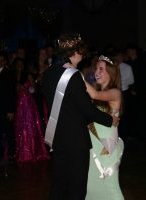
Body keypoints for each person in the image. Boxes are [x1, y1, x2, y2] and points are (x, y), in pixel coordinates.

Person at [41, 33, 118, 200]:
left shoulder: (47, 74)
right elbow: (87, 110)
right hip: (76, 140)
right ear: (73, 53)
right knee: (77, 187)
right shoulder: (73, 75)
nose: (82, 56)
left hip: (57, 137)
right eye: (80, 52)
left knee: (59, 184)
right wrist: (110, 119)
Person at [85, 55, 124, 200]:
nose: (97, 72)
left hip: (105, 146)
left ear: (111, 73)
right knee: (91, 184)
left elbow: (95, 94)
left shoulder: (115, 92)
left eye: (101, 69)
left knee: (110, 185)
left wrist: (75, 75)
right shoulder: (94, 95)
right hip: (92, 145)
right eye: (96, 68)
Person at [14, 71, 50, 163]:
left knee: (31, 126)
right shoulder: (15, 78)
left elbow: (33, 89)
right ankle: (24, 153)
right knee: (22, 128)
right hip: (21, 105)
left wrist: (27, 89)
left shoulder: (28, 76)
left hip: (29, 105)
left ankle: (33, 151)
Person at [0, 51, 17, 162]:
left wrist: (11, 110)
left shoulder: (10, 73)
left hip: (6, 108)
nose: (0, 62)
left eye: (2, 60)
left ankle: (11, 153)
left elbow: (12, 93)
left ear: (5, 61)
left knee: (8, 130)